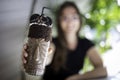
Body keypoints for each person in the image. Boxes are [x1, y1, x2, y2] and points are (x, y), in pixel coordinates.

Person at [22, 1, 107, 80]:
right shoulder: (52, 42)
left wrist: (75, 78)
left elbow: (103, 70)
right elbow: (47, 57)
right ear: (59, 22)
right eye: (65, 18)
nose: (70, 22)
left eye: (74, 17)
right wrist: (39, 56)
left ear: (80, 20)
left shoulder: (85, 44)